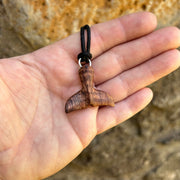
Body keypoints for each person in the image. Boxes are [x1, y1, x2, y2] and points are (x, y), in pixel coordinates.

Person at [0, 12, 179, 180]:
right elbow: (72, 105)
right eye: (84, 74)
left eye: (87, 74)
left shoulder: (96, 95)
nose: (85, 75)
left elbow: (103, 100)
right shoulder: (75, 99)